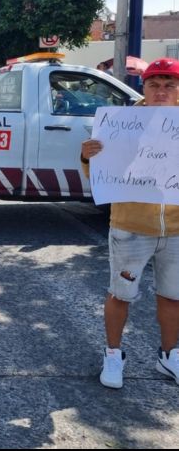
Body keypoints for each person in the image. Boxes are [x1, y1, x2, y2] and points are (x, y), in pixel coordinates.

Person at [81, 57, 179, 389]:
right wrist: (87, 156)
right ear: (144, 87)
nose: (162, 91)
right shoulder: (121, 123)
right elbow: (98, 174)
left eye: (170, 85)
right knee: (120, 294)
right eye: (154, 84)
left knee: (173, 296)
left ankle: (169, 356)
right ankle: (113, 355)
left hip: (177, 229)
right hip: (131, 227)